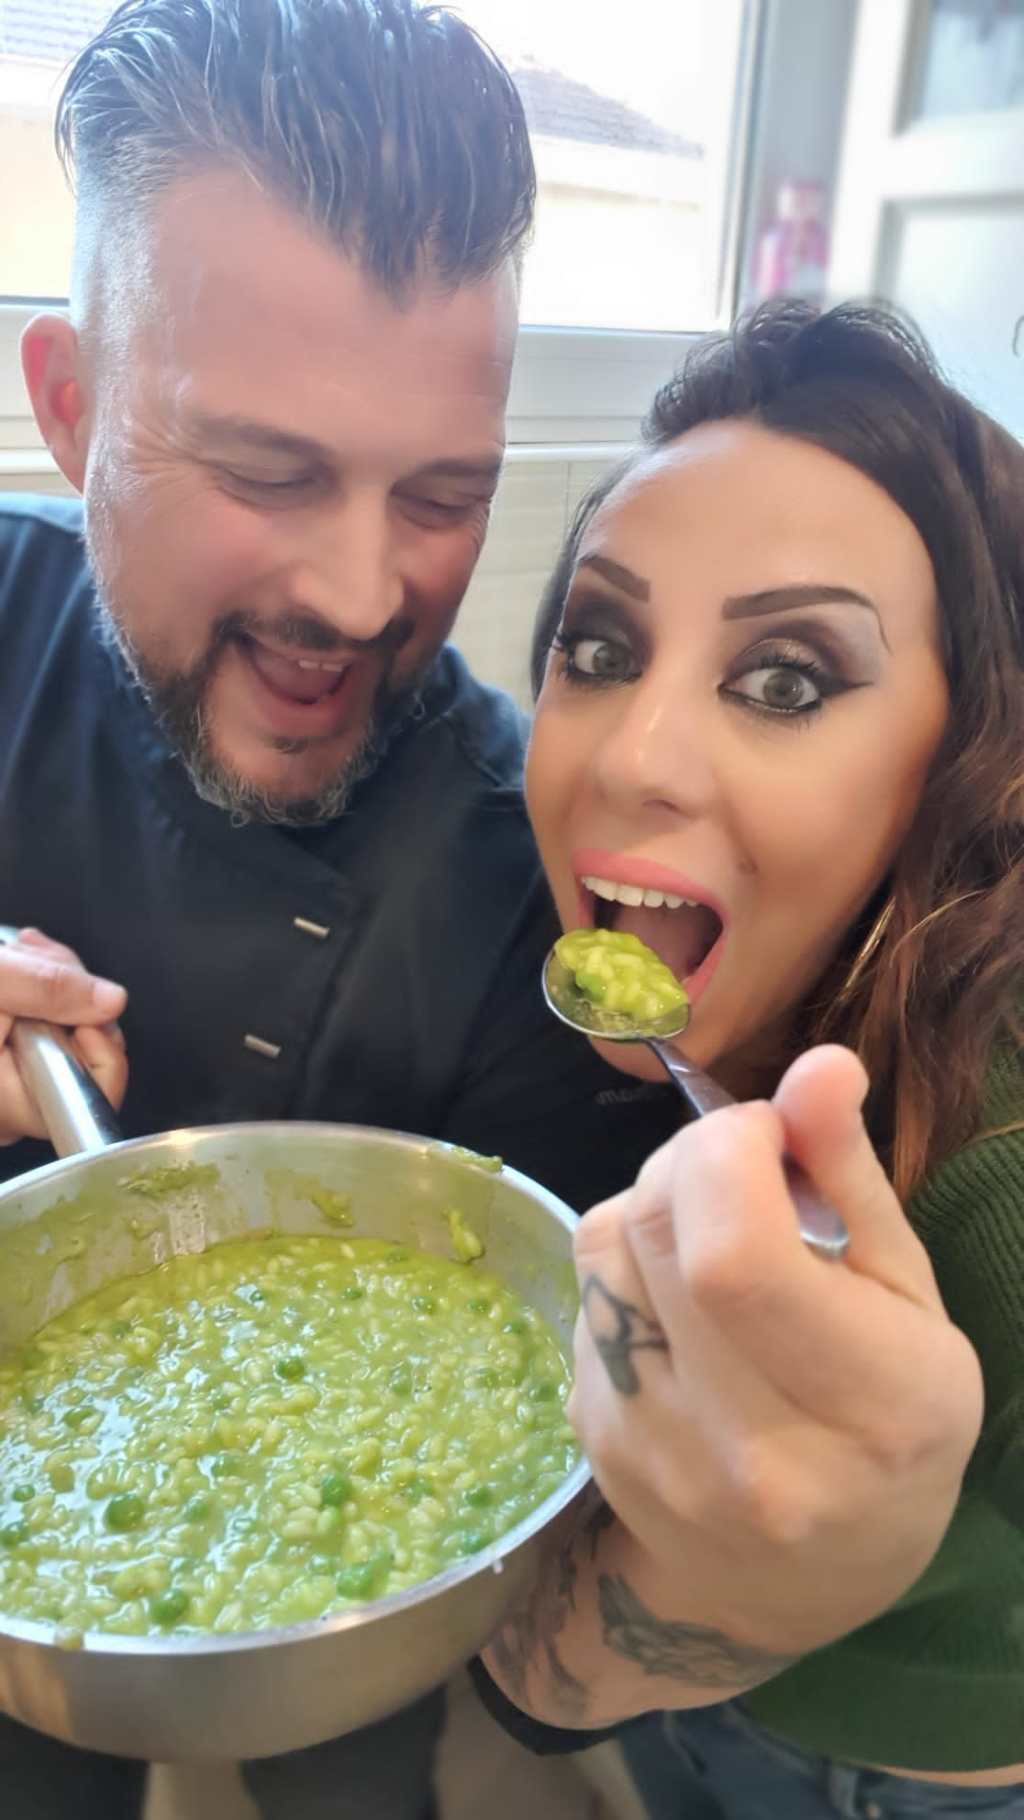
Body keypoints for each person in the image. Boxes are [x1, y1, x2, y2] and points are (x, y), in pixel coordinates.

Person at [0, 1, 679, 1815]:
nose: (366, 596)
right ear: (71, 409)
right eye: (269, 473)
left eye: (445, 494)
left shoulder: (535, 891)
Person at [473, 299, 1024, 1813]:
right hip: (693, 1729)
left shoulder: (998, 1167)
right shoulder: (709, 966)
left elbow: (537, 1684)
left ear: (972, 760)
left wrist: (759, 1586)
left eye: (786, 680)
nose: (630, 755)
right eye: (598, 648)